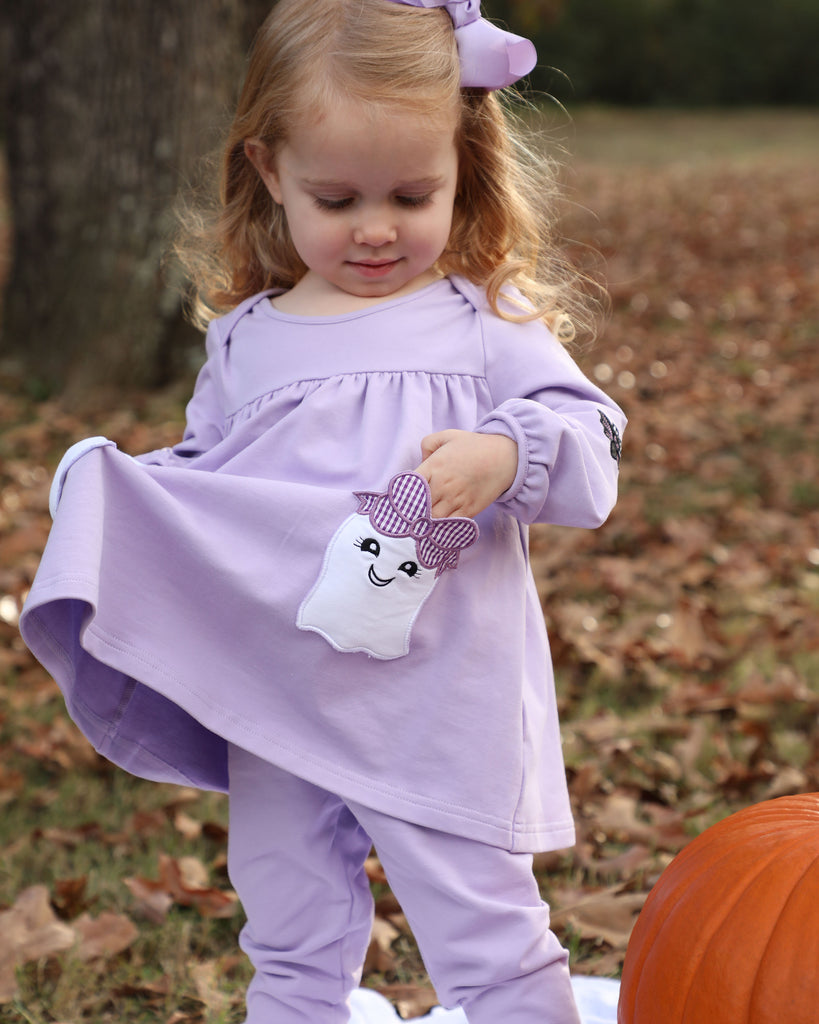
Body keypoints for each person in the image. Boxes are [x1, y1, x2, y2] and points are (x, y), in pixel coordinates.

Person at [20, 1, 626, 1022]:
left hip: (437, 696)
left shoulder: (478, 324)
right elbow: (211, 490)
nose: (378, 226)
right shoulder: (246, 342)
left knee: (485, 923)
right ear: (269, 172)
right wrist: (117, 493)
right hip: (284, 686)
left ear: (462, 166)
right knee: (290, 918)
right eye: (337, 198)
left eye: (412, 193)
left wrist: (508, 449)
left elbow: (593, 441)